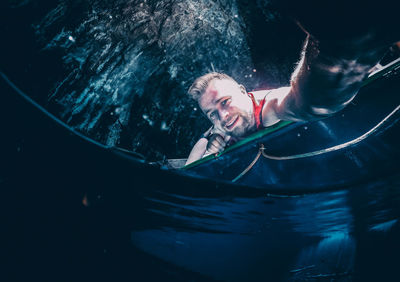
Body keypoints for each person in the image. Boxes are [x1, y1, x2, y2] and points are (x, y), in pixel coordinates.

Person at [185, 19, 399, 165]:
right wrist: (212, 145)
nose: (222, 115)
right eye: (212, 113)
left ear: (243, 92)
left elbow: (302, 101)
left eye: (225, 102)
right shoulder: (222, 122)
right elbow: (191, 167)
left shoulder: (271, 107)